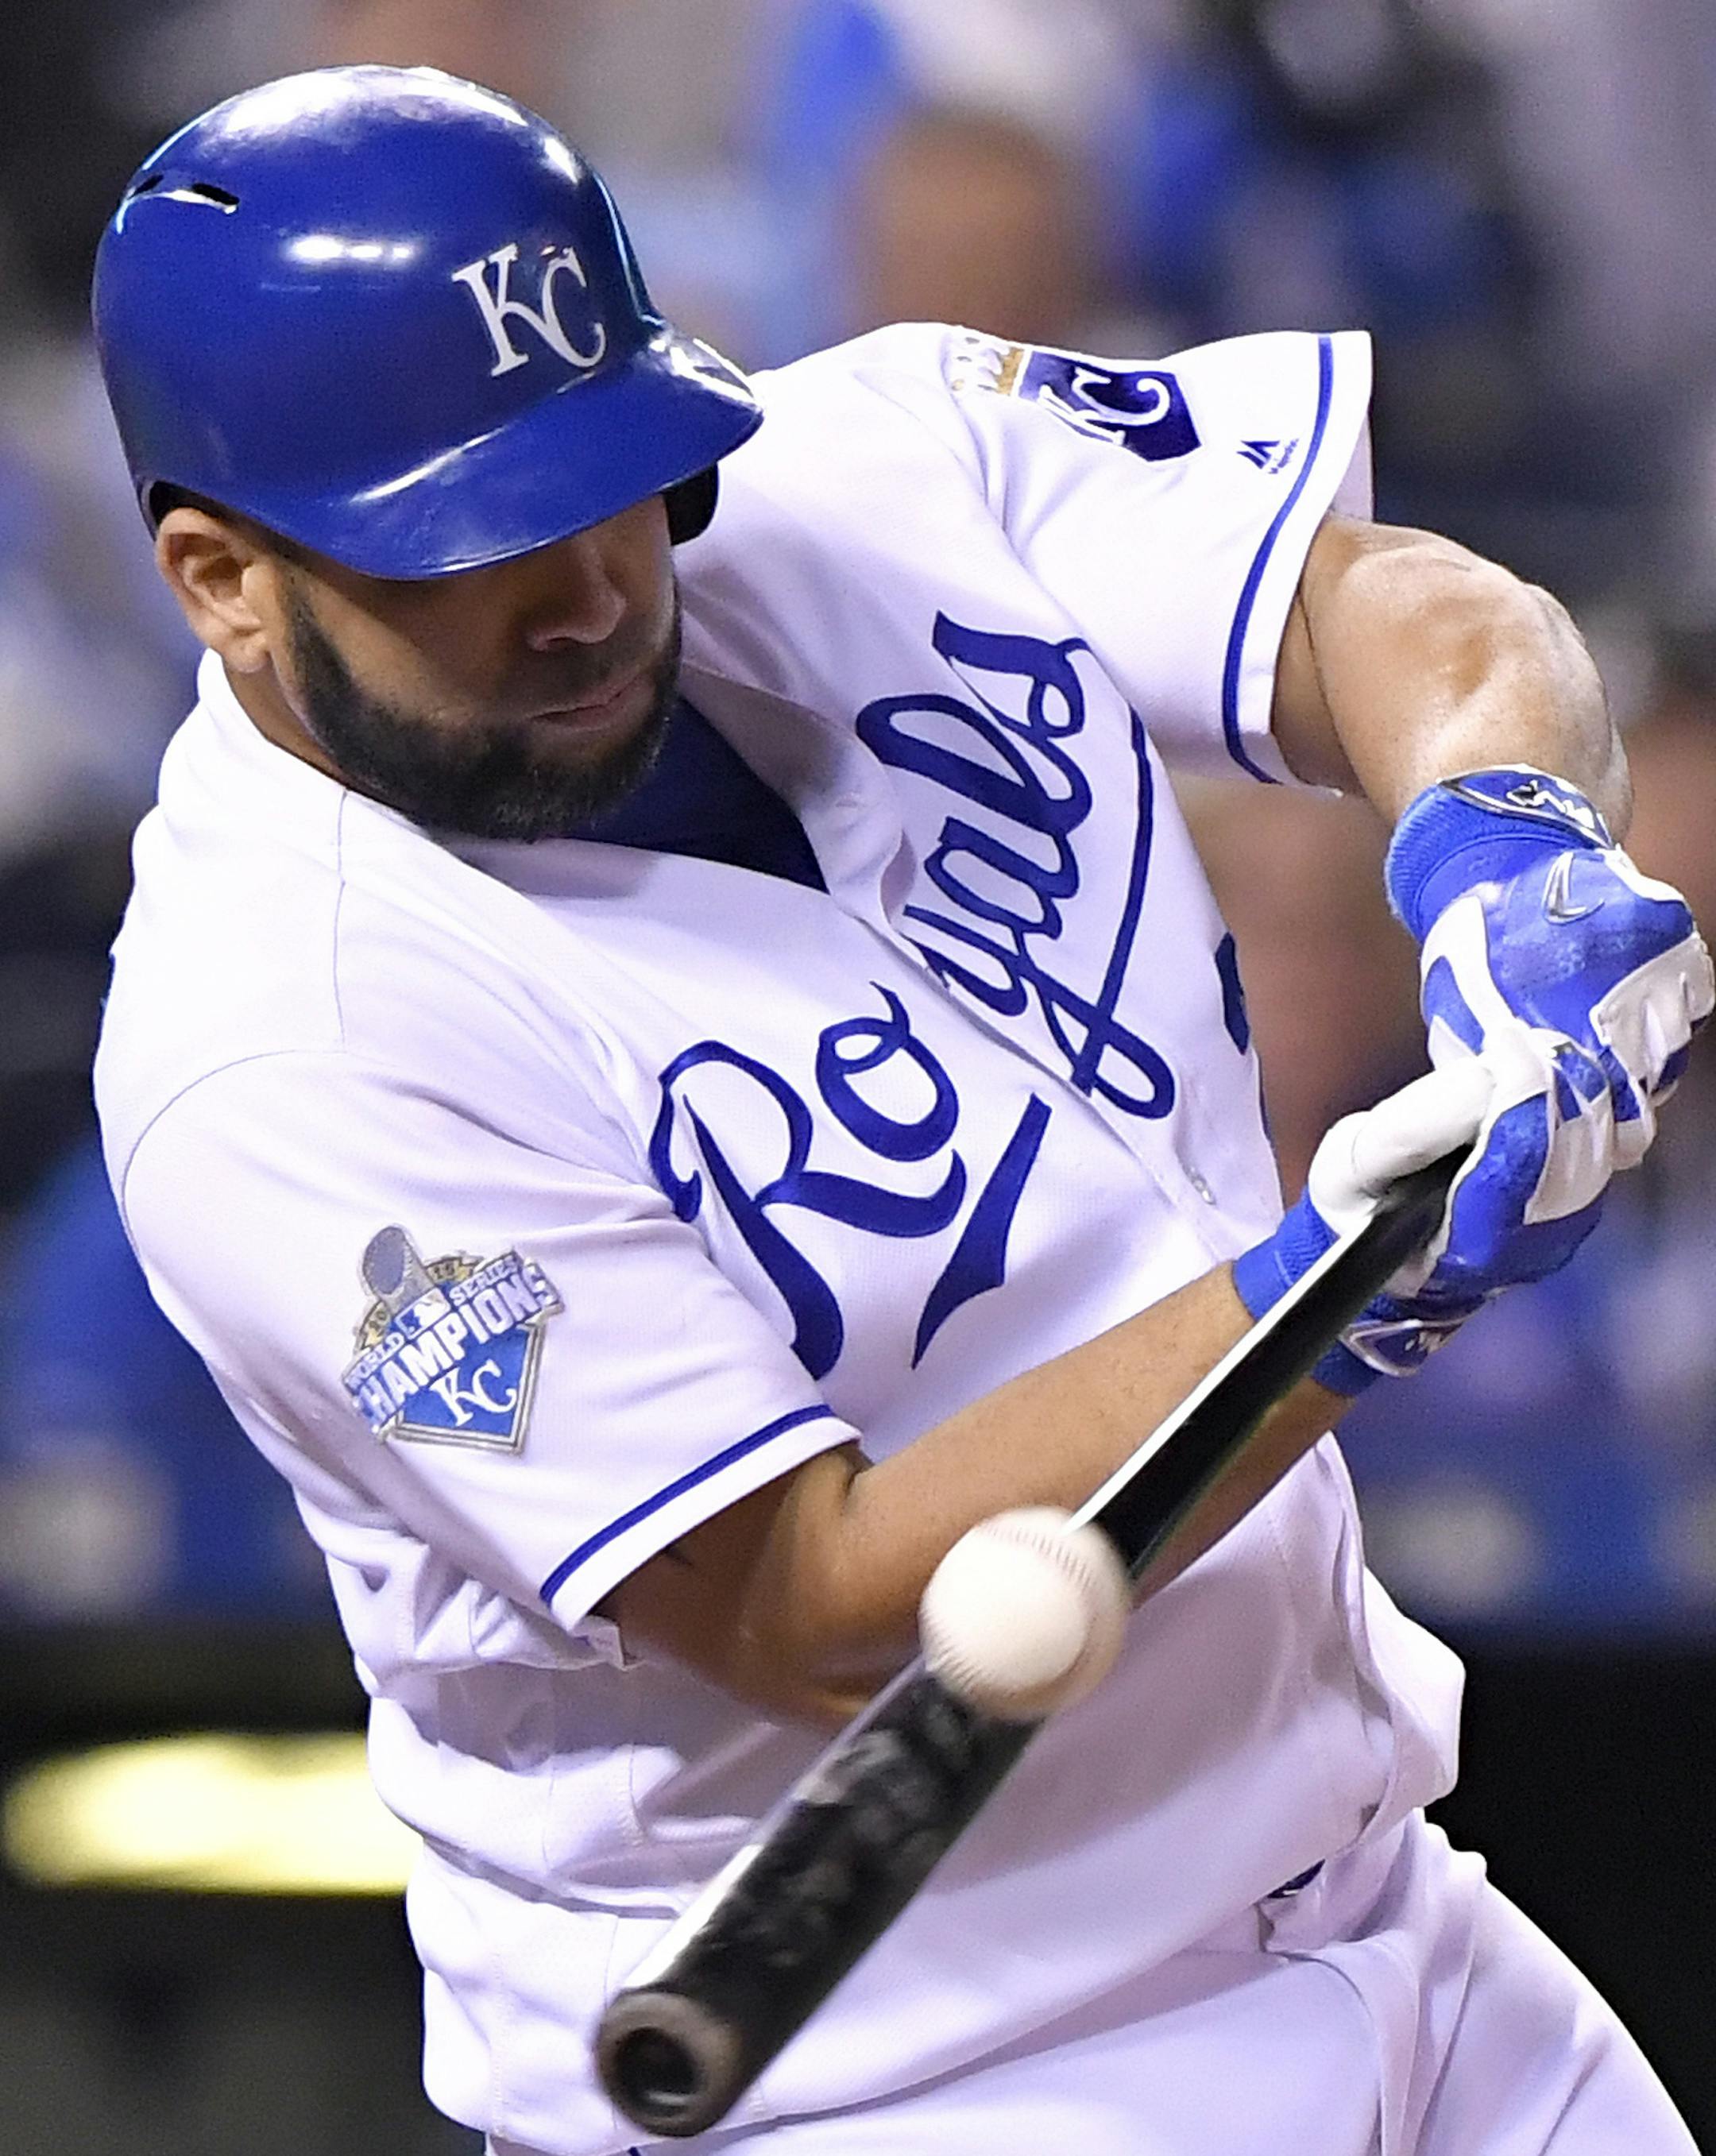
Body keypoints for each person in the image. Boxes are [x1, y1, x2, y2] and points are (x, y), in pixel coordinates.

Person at [89, 65, 1709, 2156]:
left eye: (611, 476)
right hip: (919, 2074)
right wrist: (1339, 1294)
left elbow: (1383, 609)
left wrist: (1502, 836)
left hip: (1391, 1909)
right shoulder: (275, 1043)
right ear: (222, 578)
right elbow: (809, 1599)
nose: (589, 588)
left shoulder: (872, 464)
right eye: (469, 546)